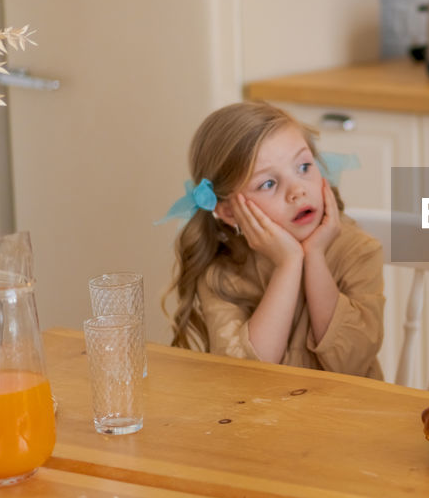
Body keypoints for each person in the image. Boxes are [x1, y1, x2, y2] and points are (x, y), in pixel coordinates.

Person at [162, 101, 385, 378]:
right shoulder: (223, 274)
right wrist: (288, 263)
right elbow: (247, 377)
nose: (297, 191)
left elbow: (352, 362)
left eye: (304, 167)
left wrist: (314, 256)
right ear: (230, 211)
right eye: (268, 184)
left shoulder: (358, 252)